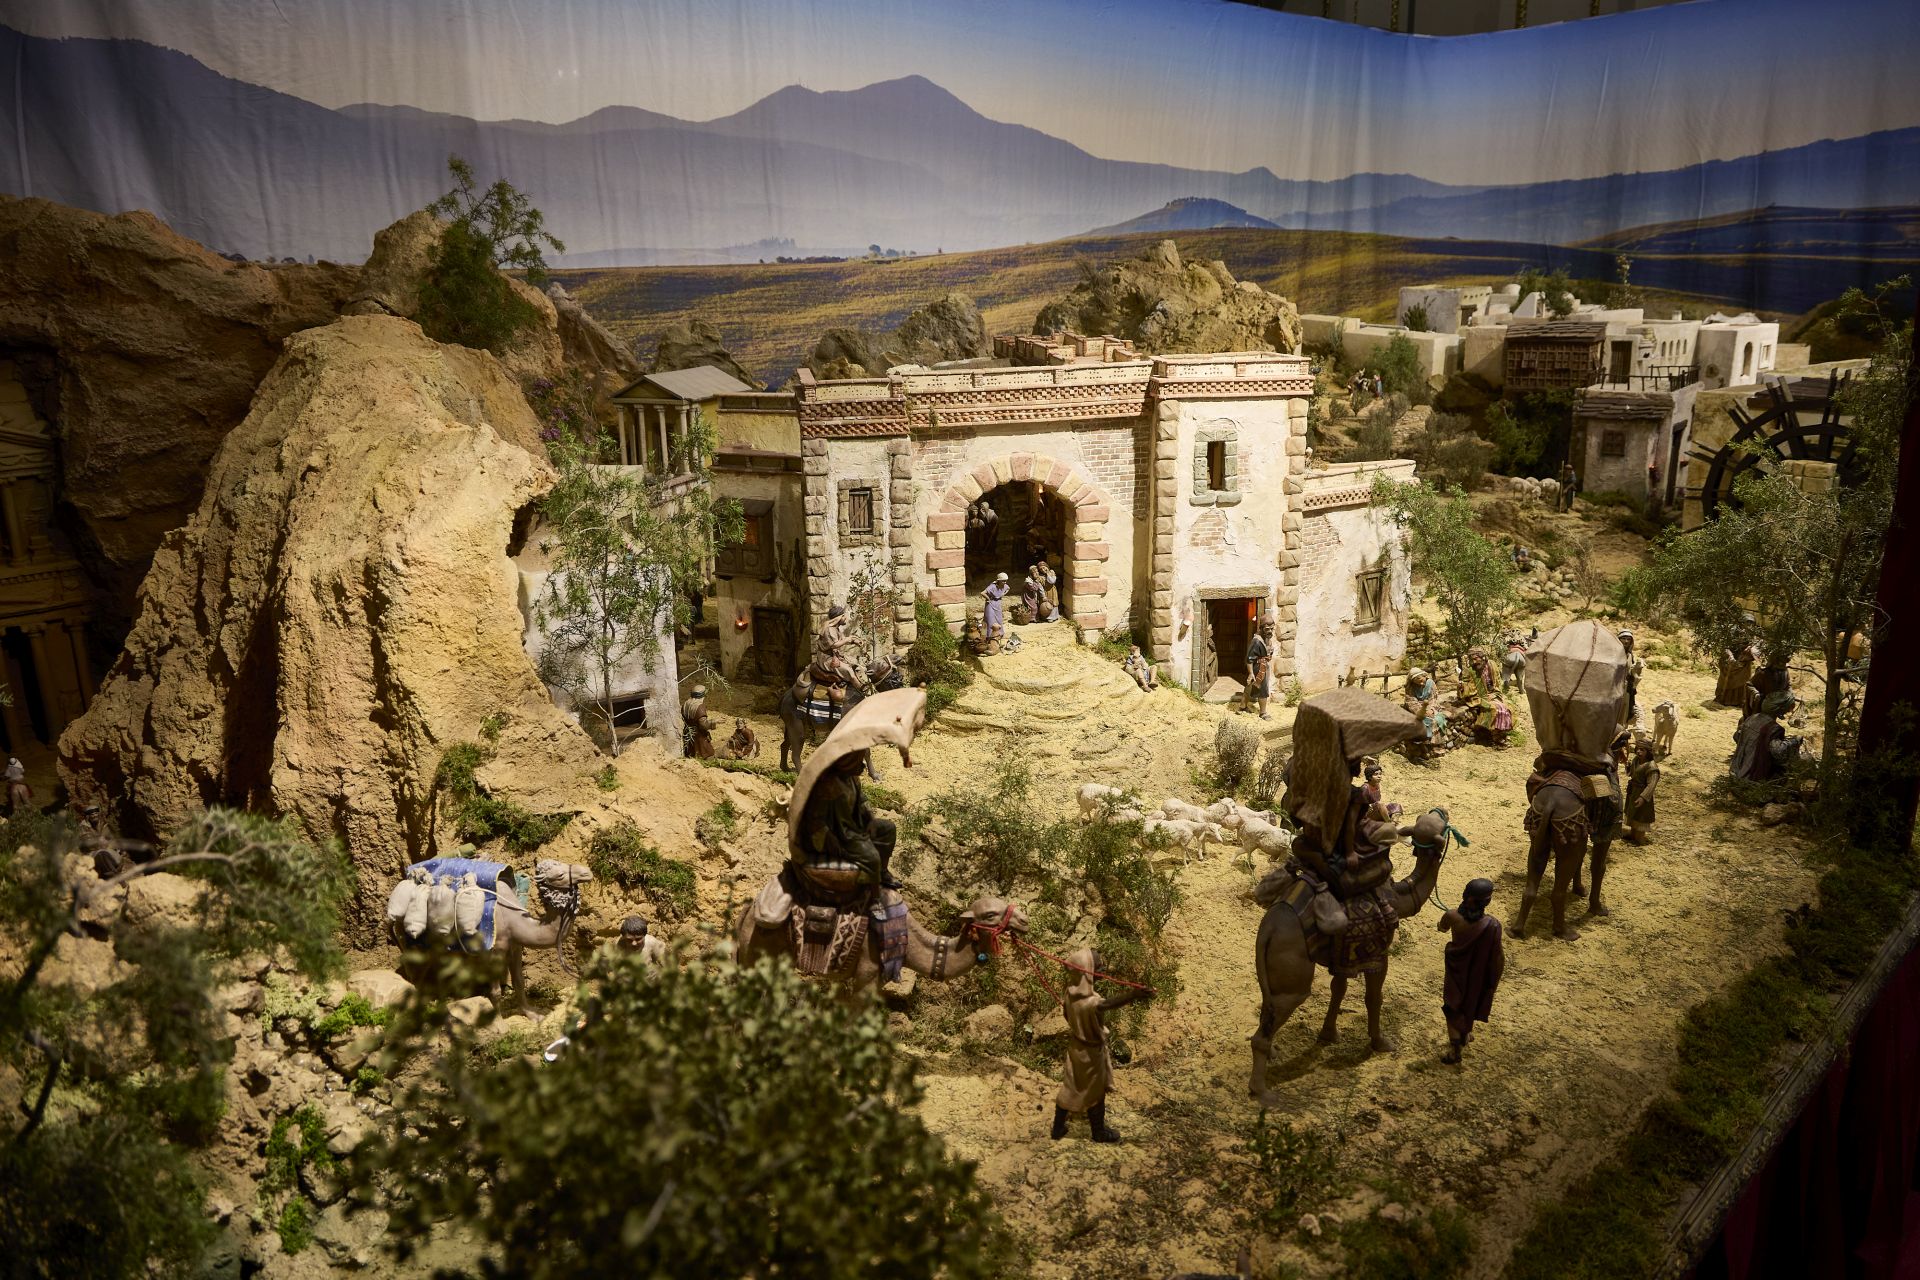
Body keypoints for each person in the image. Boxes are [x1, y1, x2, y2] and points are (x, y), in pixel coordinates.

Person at [1050, 948, 1151, 1143]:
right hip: (1090, 1053)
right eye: (1097, 966)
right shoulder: (1090, 1002)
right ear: (1087, 973)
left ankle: (1057, 1127)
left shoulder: (1069, 994)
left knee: (1070, 1087)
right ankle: (1098, 1132)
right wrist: (1133, 994)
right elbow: (1107, 1004)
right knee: (1096, 1094)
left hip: (1075, 1048)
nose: (1102, 968)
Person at [797, 747, 900, 890]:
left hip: (854, 826)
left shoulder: (852, 779)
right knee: (871, 856)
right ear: (848, 762)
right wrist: (832, 842)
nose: (863, 766)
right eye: (859, 761)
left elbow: (861, 801)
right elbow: (816, 820)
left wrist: (870, 820)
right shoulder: (828, 784)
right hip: (838, 833)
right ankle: (870, 892)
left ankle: (882, 872)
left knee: (887, 829)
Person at [1438, 878, 1505, 1064]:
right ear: (1487, 902)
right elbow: (1499, 956)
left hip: (1456, 970)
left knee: (1452, 1006)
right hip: (1478, 972)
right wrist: (1494, 981)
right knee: (1471, 1000)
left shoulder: (1452, 916)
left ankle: (1455, 1049)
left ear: (1465, 896)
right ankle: (1464, 1035)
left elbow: (1442, 927)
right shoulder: (1493, 925)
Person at [1625, 738, 1659, 845]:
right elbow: (1632, 773)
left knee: (1641, 815)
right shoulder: (1636, 760)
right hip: (1633, 792)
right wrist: (1628, 768)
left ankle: (1639, 838)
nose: (1639, 752)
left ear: (1648, 752)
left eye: (1642, 750)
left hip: (1642, 793)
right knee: (1633, 813)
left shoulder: (1651, 766)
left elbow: (1652, 784)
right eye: (1638, 749)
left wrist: (1643, 797)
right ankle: (1632, 834)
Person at [1242, 617, 1275, 720]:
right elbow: (1249, 659)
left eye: (1271, 629)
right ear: (1261, 628)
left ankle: (1242, 706)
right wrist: (1251, 673)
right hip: (1259, 668)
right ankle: (1263, 712)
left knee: (1250, 686)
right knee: (1263, 689)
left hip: (1264, 665)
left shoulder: (1267, 639)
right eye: (1267, 629)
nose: (1270, 631)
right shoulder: (1257, 641)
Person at [680, 687, 718, 759]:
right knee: (707, 753)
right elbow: (703, 725)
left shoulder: (686, 703)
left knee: (690, 751)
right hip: (699, 736)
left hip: (688, 733)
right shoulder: (699, 707)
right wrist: (715, 721)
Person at [1618, 630, 1644, 722]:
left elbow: (1631, 672)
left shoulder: (1630, 655)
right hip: (1614, 685)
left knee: (1625, 709)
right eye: (1623, 639)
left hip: (1626, 686)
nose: (1626, 641)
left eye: (1628, 639)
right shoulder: (1614, 653)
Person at [982, 572, 1009, 649]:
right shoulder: (992, 586)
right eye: (1003, 581)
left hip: (998, 605)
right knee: (990, 621)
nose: (1005, 582)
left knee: (999, 620)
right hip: (990, 605)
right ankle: (988, 637)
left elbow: (1008, 588)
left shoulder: (1004, 586)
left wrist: (1002, 594)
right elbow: (983, 593)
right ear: (999, 580)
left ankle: (998, 636)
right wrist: (988, 598)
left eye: (1006, 580)